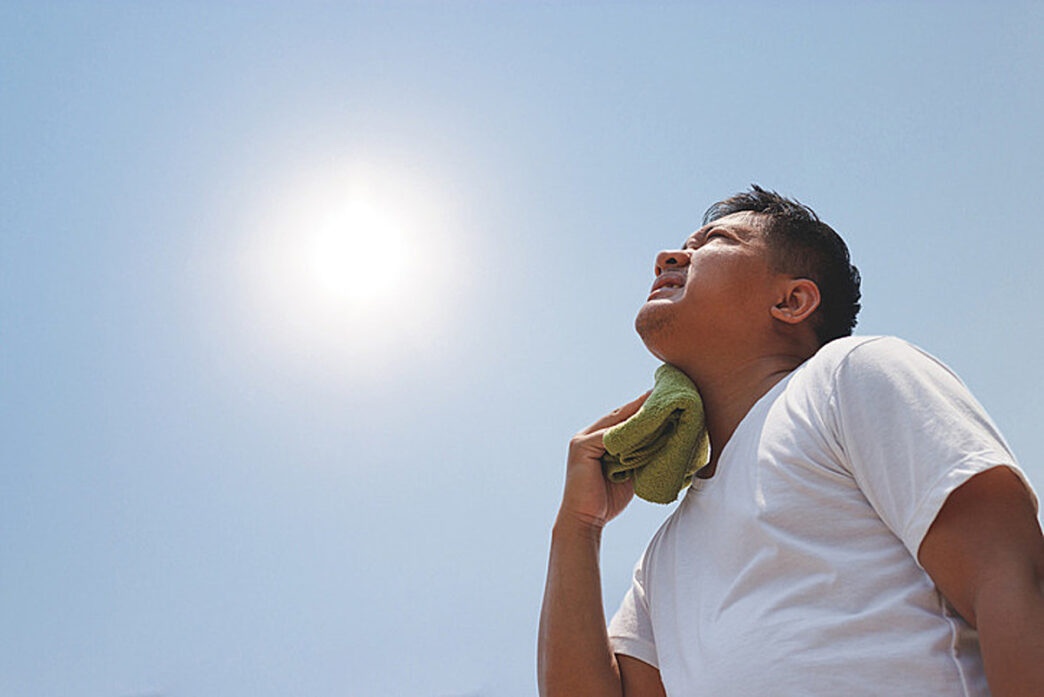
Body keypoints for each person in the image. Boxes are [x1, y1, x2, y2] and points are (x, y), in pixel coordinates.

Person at [537, 185, 1044, 697]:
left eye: (714, 240)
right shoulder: (663, 560)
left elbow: (1011, 577)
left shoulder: (848, 377)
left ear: (792, 300)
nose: (668, 257)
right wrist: (578, 526)